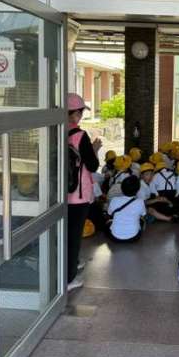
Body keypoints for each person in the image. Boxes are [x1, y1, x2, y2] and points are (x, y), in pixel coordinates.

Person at [67, 93, 102, 291]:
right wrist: (94, 148)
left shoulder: (54, 131)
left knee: (64, 233)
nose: (80, 116)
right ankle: (69, 278)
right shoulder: (80, 136)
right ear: (73, 114)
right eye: (79, 112)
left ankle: (70, 264)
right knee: (73, 235)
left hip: (59, 193)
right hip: (78, 194)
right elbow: (93, 165)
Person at [106, 175, 146, 243]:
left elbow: (109, 213)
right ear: (138, 190)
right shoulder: (140, 201)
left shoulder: (114, 200)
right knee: (142, 220)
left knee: (108, 223)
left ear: (121, 188)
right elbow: (143, 214)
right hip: (134, 237)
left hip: (114, 238)